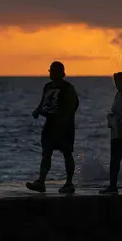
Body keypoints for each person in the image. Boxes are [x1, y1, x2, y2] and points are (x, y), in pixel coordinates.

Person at [26, 61, 79, 194]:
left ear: (62, 73)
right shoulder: (47, 86)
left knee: (67, 153)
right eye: (51, 70)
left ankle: (69, 183)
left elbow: (73, 106)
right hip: (50, 124)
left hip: (65, 126)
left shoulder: (68, 88)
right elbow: (43, 102)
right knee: (46, 153)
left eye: (55, 71)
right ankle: (41, 182)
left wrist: (64, 120)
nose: (52, 73)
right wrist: (38, 111)